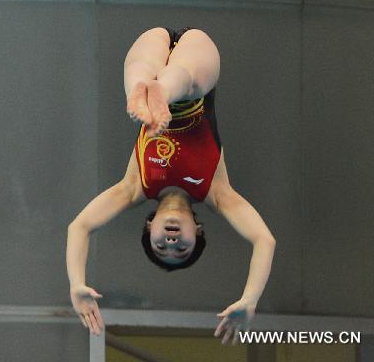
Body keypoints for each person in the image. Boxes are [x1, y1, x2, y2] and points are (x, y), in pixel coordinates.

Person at [65, 27, 275, 345]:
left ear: (150, 226)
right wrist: (249, 300)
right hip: (197, 62)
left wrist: (76, 284)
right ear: (198, 231)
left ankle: (147, 91)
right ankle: (161, 92)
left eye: (161, 246)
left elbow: (80, 226)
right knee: (188, 81)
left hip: (153, 51)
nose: (172, 242)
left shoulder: (135, 187)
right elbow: (264, 239)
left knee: (137, 74)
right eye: (182, 248)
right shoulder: (216, 193)